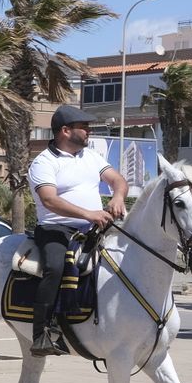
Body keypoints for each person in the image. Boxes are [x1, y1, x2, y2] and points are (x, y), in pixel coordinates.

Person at [27, 104, 126, 357]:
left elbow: (117, 179)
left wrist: (117, 197)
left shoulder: (91, 157)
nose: (88, 131)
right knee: (55, 268)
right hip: (55, 229)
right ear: (65, 131)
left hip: (96, 226)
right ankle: (42, 334)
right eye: (84, 127)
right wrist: (89, 214)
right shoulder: (44, 162)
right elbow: (49, 200)